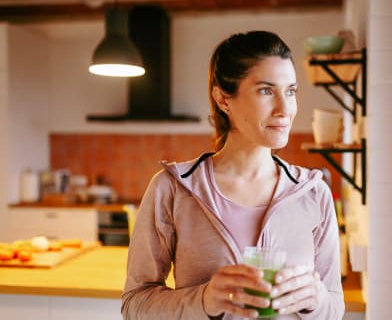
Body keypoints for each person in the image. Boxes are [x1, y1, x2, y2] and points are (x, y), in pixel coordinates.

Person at [121, 30, 344, 320]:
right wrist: (204, 300)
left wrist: (316, 299)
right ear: (223, 99)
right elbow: (135, 305)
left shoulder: (314, 192)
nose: (285, 109)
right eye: (266, 90)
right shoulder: (172, 189)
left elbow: (334, 308)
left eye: (290, 91)